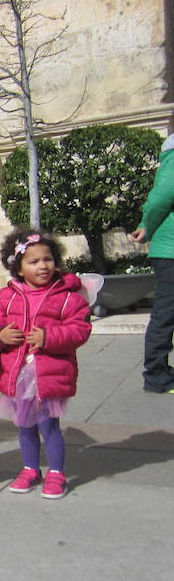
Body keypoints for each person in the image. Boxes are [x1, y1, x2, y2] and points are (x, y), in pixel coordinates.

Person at [0, 229, 93, 499]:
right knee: (25, 425)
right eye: (33, 262)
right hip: (18, 372)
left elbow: (80, 330)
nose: (42, 266)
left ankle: (57, 472)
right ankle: (30, 468)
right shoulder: (8, 295)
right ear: (18, 268)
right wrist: (0, 334)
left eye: (47, 259)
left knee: (48, 425)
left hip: (49, 373)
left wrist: (49, 337)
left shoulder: (68, 295)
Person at [130, 132, 174, 394]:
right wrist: (146, 225)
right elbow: (162, 196)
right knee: (166, 313)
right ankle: (156, 375)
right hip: (170, 251)